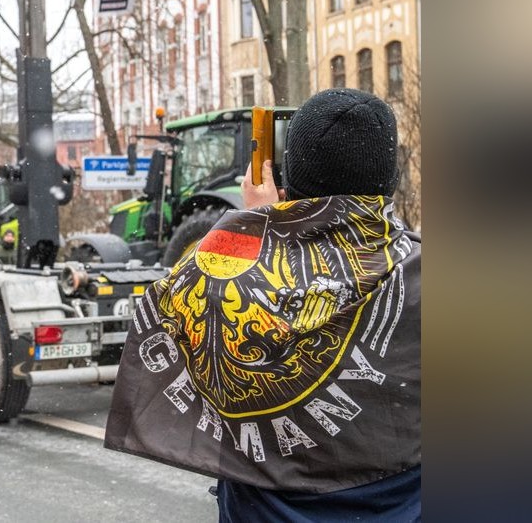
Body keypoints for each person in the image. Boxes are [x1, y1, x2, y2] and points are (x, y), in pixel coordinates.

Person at [105, 89, 421, 522]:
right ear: (390, 177)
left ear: (292, 174)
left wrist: (260, 227)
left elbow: (165, 304)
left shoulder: (216, 277)